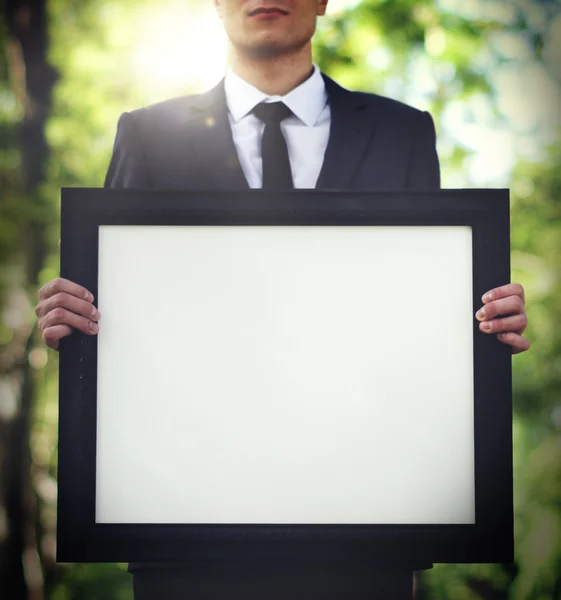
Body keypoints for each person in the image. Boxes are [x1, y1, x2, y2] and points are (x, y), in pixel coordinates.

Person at [35, 0, 530, 596]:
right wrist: (75, 318)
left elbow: (422, 310)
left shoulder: (402, 131)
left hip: (364, 524)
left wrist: (482, 323)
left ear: (324, 0)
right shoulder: (147, 133)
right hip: (189, 526)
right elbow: (111, 314)